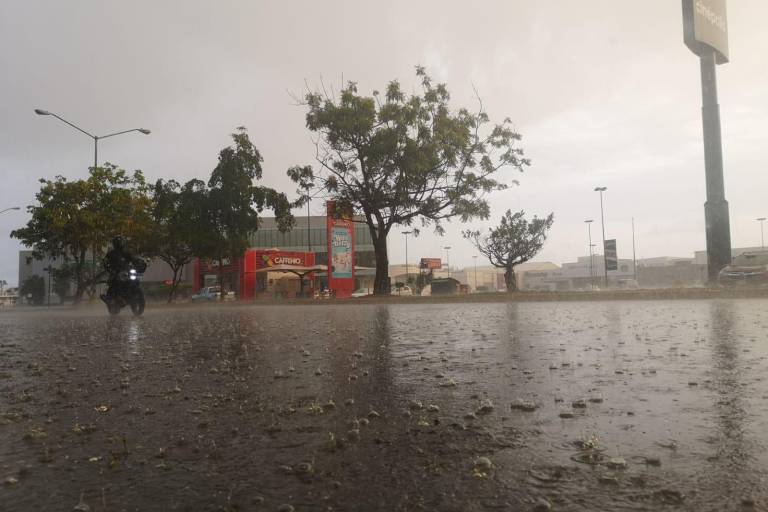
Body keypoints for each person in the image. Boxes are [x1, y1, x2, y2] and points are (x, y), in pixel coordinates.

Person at [101, 237, 144, 302]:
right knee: (113, 282)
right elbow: (106, 261)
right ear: (115, 243)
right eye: (118, 242)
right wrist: (109, 268)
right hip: (115, 271)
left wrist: (138, 262)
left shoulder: (125, 252)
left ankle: (132, 295)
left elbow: (132, 259)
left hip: (126, 271)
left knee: (135, 279)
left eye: (120, 242)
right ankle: (109, 297)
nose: (119, 243)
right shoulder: (111, 253)